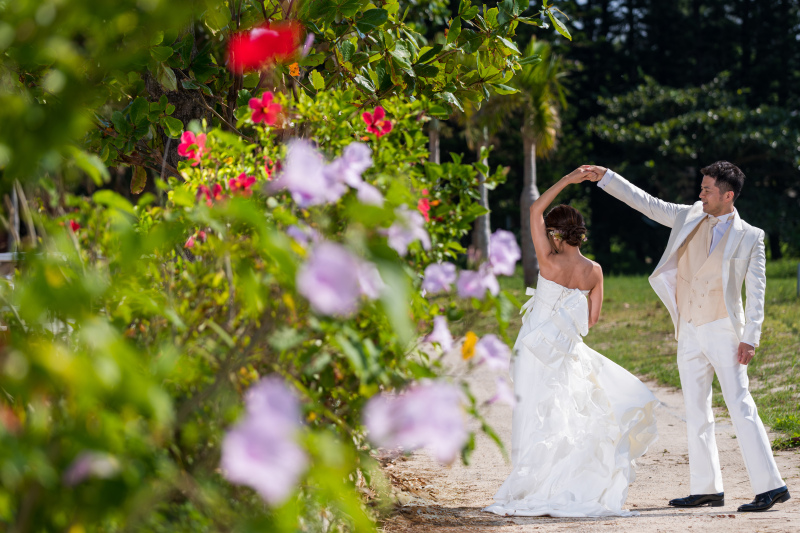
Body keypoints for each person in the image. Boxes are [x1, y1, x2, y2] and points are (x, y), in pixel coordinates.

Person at [582, 162, 789, 512]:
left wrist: (750, 337)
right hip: (689, 329)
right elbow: (646, 202)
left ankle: (772, 486)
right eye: (702, 187)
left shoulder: (751, 236)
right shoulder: (688, 216)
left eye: (707, 189)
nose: (700, 193)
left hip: (725, 331)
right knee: (695, 409)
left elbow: (757, 293)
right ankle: (706, 488)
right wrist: (607, 178)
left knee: (740, 405)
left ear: (728, 195)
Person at [483, 168, 658, 518]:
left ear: (553, 233)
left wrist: (566, 180)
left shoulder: (547, 262)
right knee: (565, 416)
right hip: (567, 352)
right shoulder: (594, 271)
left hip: (533, 349)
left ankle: (531, 483)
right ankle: (564, 483)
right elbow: (591, 321)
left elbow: (534, 210)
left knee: (533, 414)